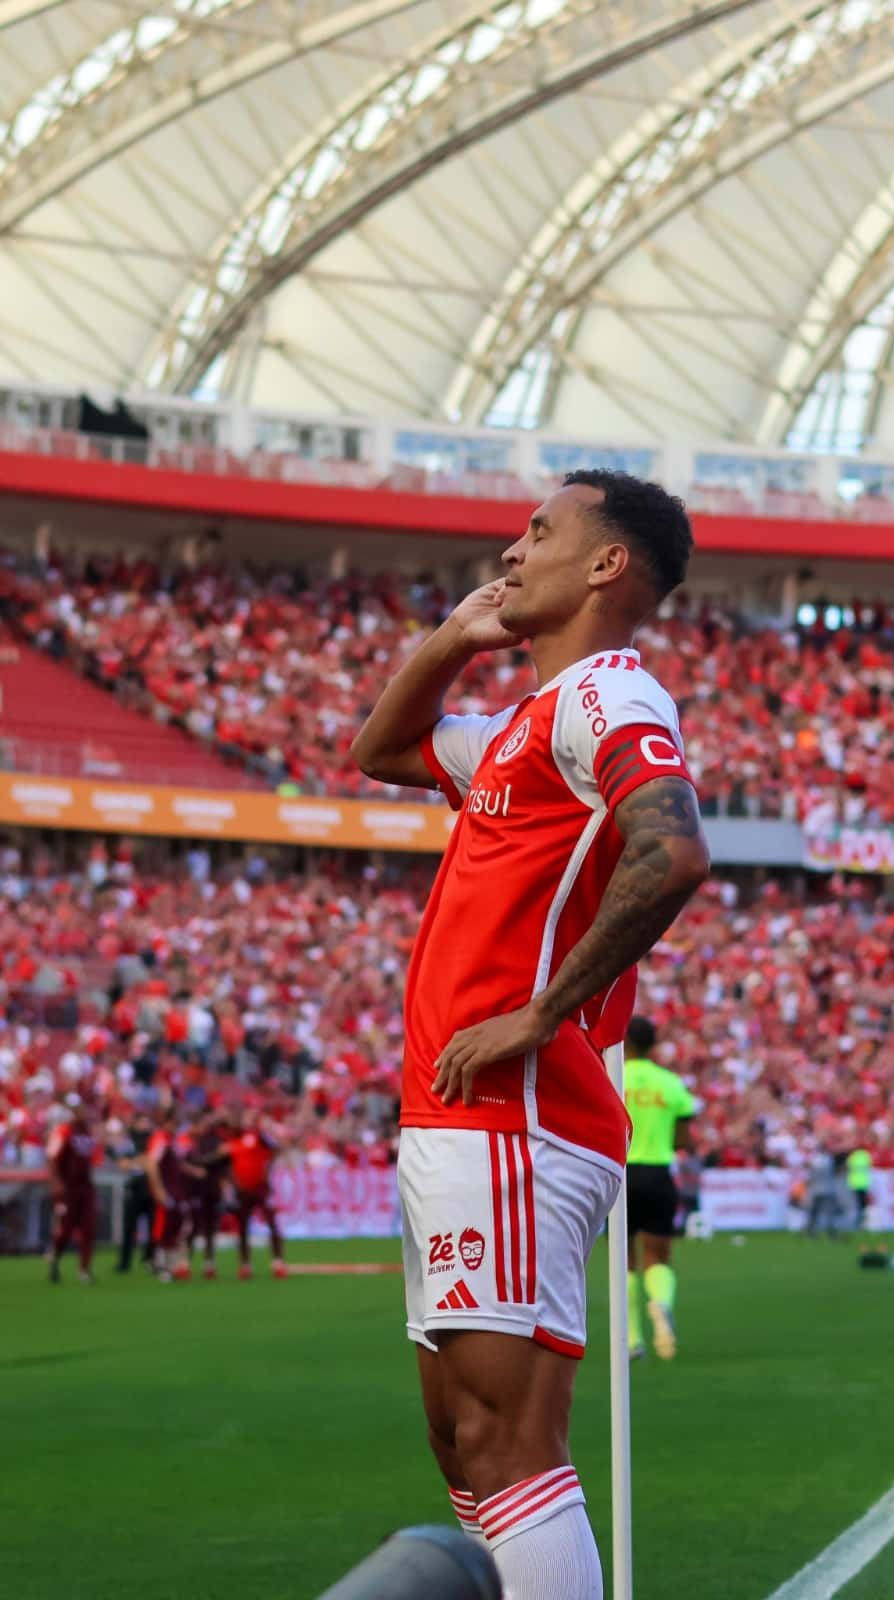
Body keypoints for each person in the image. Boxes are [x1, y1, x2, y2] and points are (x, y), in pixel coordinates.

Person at [350, 469, 708, 1600]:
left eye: (539, 532)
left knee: (507, 1445)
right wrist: (455, 638)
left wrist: (544, 1011)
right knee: (464, 1445)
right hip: (458, 1114)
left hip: (519, 1115)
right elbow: (380, 747)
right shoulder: (525, 724)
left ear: (607, 565)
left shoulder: (611, 698)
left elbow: (676, 849)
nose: (512, 550)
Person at [622, 1015, 697, 1361]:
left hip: (621, 1175)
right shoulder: (670, 1083)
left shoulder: (612, 1077)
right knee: (657, 1255)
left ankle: (633, 1339)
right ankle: (661, 1304)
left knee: (624, 1262)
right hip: (657, 1174)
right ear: (653, 1045)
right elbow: (683, 1139)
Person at [228, 1109, 287, 1280]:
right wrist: (233, 1182)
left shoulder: (258, 1136)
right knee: (242, 1227)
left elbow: (276, 1149)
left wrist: (267, 1171)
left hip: (260, 1187)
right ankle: (245, 1264)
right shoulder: (232, 1140)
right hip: (242, 1189)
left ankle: (278, 1262)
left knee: (271, 1222)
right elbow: (229, 1164)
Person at [45, 1098, 97, 1284]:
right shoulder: (64, 1131)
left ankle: (84, 1269)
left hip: (86, 1186)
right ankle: (55, 1258)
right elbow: (51, 1157)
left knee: (89, 1228)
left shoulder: (88, 1131)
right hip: (68, 1187)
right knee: (65, 1229)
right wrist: (56, 1183)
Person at [147, 1107, 191, 1283]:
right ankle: (162, 1265)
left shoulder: (172, 1140)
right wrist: (158, 1189)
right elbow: (152, 1164)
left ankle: (170, 1266)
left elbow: (178, 1164)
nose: (175, 1126)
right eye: (173, 1122)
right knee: (165, 1227)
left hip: (176, 1189)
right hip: (168, 1189)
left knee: (175, 1227)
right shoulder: (160, 1139)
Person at [186, 1111, 231, 1280]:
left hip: (212, 1189)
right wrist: (215, 1156)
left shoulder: (217, 1140)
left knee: (211, 1227)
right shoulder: (192, 1142)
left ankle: (209, 1263)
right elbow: (192, 1161)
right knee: (193, 1226)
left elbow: (225, 1163)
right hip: (196, 1189)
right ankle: (185, 1262)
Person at [114, 1110, 156, 1274]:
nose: (145, 1125)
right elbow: (123, 1164)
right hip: (133, 1188)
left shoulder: (153, 1140)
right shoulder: (128, 1142)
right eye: (142, 1121)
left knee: (153, 1227)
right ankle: (125, 1262)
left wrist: (138, 1162)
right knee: (129, 1228)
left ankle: (149, 1259)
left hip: (149, 1187)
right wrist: (141, 1162)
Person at [845, 1144, 873, 1227]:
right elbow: (870, 1165)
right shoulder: (865, 1155)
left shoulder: (852, 1156)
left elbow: (848, 1167)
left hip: (855, 1183)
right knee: (863, 1203)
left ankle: (859, 1220)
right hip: (864, 1182)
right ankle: (864, 1219)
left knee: (857, 1203)